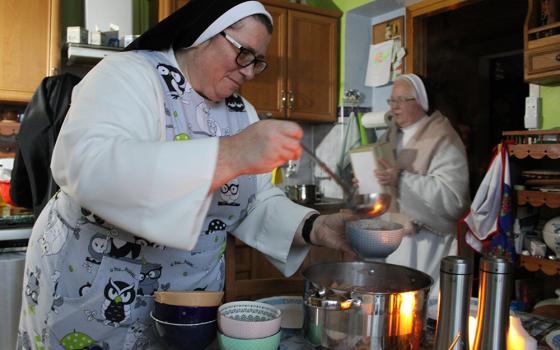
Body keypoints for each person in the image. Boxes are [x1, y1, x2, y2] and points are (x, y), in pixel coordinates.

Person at [17, 1, 354, 348]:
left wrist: (315, 227)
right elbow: (88, 164)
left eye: (257, 61)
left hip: (187, 303)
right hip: (90, 290)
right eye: (244, 53)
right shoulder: (128, 74)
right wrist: (228, 153)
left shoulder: (242, 113)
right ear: (204, 35)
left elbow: (252, 202)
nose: (250, 71)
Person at [374, 73, 470, 300]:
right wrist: (370, 181)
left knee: (423, 304)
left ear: (420, 102)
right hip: (395, 238)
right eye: (391, 101)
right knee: (396, 302)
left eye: (401, 100)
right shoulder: (390, 136)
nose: (394, 107)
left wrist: (402, 179)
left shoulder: (443, 138)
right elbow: (386, 188)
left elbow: (453, 198)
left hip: (429, 242)